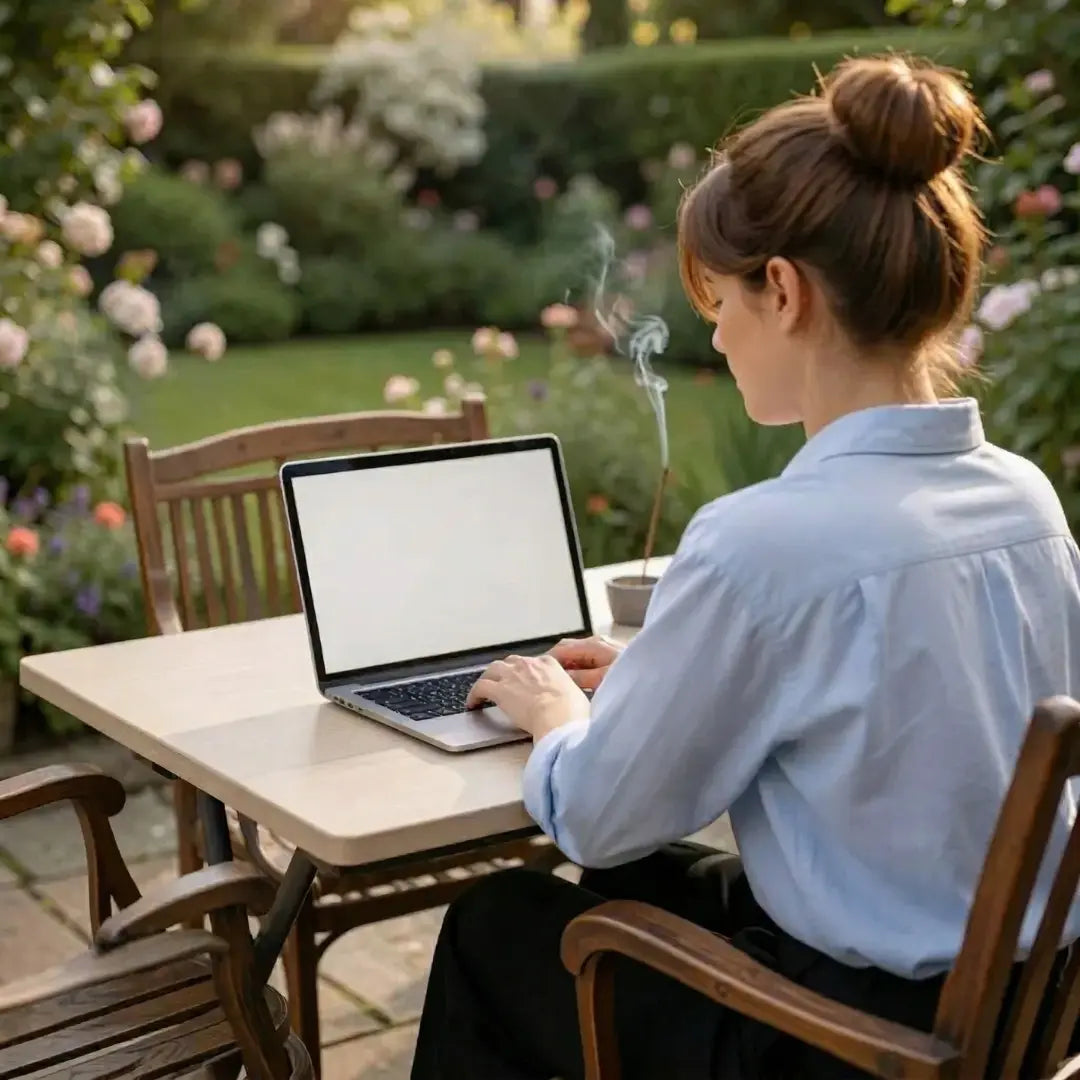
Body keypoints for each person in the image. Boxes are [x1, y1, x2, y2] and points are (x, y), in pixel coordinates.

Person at [410, 53, 1080, 1080]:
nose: (715, 334)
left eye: (718, 300)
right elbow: (904, 711)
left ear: (783, 289)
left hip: (859, 1049)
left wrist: (556, 716)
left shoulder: (763, 539)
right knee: (636, 872)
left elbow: (591, 804)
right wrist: (649, 686)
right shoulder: (1025, 501)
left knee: (498, 922)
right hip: (1019, 1013)